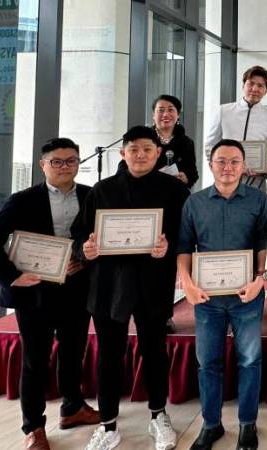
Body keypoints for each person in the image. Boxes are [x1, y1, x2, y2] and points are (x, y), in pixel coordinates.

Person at [0, 138, 99, 450]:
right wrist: (12, 278)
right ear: (43, 165)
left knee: (74, 353)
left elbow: (100, 239)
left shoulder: (91, 196)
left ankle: (72, 408)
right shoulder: (23, 200)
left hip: (76, 290)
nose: (64, 166)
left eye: (71, 160)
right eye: (56, 161)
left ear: (78, 163)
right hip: (35, 292)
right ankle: (33, 427)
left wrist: (83, 260)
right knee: (35, 361)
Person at [73, 126, 189, 450]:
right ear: (123, 153)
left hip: (153, 281)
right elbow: (79, 233)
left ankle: (158, 415)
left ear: (157, 153)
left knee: (154, 350)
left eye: (147, 150)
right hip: (109, 284)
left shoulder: (174, 191)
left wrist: (169, 248)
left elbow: (187, 234)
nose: (140, 155)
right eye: (134, 149)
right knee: (108, 354)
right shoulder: (101, 190)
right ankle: (108, 424)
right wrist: (87, 249)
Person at [177, 139, 267, 450]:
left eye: (234, 161)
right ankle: (211, 424)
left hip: (247, 297)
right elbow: (183, 247)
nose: (227, 167)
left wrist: (260, 280)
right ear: (211, 164)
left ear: (243, 166)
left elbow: (263, 245)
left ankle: (247, 424)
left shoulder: (258, 200)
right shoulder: (195, 202)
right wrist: (187, 283)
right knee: (208, 363)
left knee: (250, 361)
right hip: (208, 299)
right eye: (221, 161)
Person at [205, 65, 267, 192]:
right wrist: (219, 167)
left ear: (266, 90)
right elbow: (210, 145)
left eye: (260, 86)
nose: (255, 89)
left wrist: (265, 170)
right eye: (251, 83)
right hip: (226, 176)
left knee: (255, 211)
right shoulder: (224, 111)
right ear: (243, 85)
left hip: (256, 179)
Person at [118, 95, 199, 189]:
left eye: (170, 110)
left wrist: (186, 178)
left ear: (178, 115)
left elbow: (192, 173)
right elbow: (124, 169)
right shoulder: (142, 138)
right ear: (153, 115)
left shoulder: (186, 142)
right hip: (142, 191)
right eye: (161, 110)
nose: (165, 114)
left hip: (174, 193)